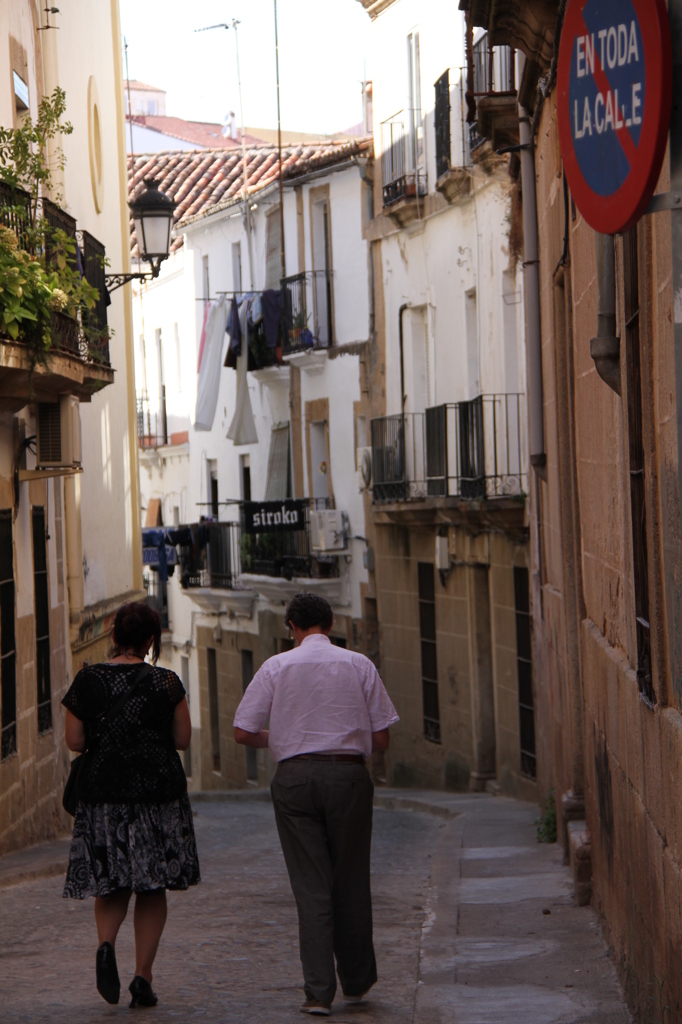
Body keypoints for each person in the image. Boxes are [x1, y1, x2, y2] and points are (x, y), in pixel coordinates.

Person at [234, 592, 399, 1017]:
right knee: (350, 878)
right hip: (348, 776)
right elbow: (380, 738)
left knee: (311, 886)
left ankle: (318, 993)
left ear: (291, 628)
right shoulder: (358, 664)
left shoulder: (275, 666)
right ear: (329, 624)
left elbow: (242, 730)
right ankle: (358, 982)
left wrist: (286, 736)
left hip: (295, 780)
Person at [62, 601, 200, 1008]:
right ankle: (143, 975)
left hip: (105, 796)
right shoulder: (167, 682)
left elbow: (74, 741)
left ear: (114, 635)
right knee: (152, 886)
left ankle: (106, 944)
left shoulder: (88, 681)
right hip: (158, 797)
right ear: (150, 640)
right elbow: (183, 739)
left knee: (113, 881)